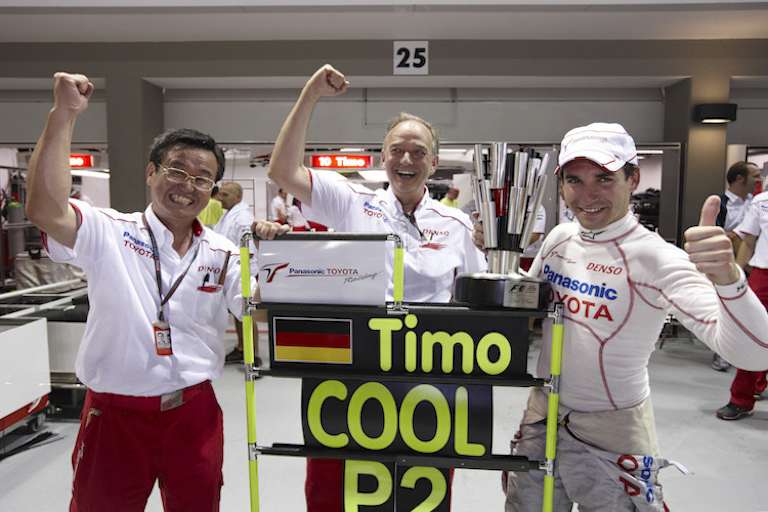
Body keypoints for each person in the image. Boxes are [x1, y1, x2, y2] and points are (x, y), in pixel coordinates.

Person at [473, 122, 768, 511]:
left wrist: (729, 279)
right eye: (574, 180)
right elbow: (527, 306)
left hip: (614, 430)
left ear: (632, 178)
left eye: (604, 178)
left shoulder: (657, 257)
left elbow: (755, 355)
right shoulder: (560, 238)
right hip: (541, 416)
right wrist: (493, 256)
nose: (588, 194)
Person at [260, 63, 487, 511]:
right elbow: (283, 171)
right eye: (396, 150)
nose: (406, 160)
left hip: (430, 367)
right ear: (382, 157)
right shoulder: (351, 201)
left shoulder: (457, 223)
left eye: (418, 152)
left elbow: (471, 297)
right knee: (336, 479)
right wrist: (311, 94)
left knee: (423, 482)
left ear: (434, 162)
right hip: (353, 366)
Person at [26, 72, 255, 512]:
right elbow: (45, 208)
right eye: (176, 171)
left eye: (202, 179)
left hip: (194, 414)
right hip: (115, 416)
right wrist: (63, 115)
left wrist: (289, 258)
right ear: (151, 173)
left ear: (212, 189)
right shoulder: (109, 232)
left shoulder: (224, 252)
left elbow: (258, 308)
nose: (187, 186)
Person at [714, 185, 768, 420]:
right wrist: (735, 277)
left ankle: (757, 384)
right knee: (753, 333)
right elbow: (748, 239)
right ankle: (741, 399)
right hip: (763, 274)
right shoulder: (762, 201)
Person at [711, 161, 762, 371]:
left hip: (754, 263)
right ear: (740, 179)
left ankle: (750, 353)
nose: (759, 180)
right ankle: (722, 351)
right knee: (725, 306)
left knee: (750, 308)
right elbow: (716, 233)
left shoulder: (757, 203)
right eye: (755, 176)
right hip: (728, 261)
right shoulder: (720, 203)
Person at [213, 182, 261, 365]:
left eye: (225, 195)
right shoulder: (228, 215)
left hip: (244, 270)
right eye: (221, 194)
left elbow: (248, 249)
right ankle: (242, 349)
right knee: (237, 312)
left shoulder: (242, 218)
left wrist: (241, 273)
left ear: (238, 197)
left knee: (248, 313)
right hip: (231, 270)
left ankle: (253, 355)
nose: (220, 198)